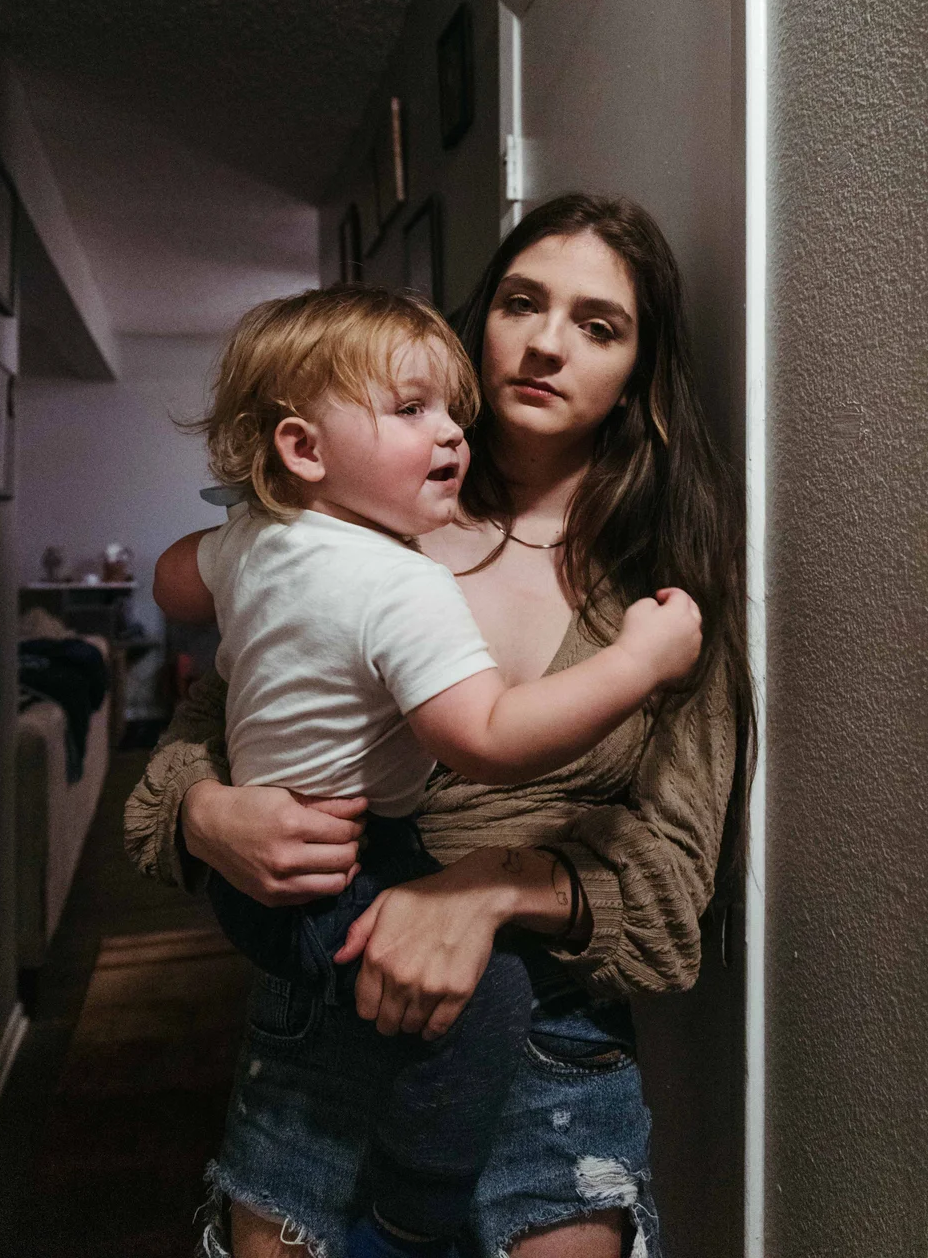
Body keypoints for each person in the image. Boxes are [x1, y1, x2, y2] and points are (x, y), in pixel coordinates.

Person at [126, 194, 755, 1258]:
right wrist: (206, 815)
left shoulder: (666, 599)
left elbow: (675, 899)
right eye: (522, 302)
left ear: (636, 381)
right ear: (483, 322)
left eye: (598, 326)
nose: (548, 343)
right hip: (317, 1037)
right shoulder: (358, 529)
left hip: (548, 1049)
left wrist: (493, 885)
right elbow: (192, 746)